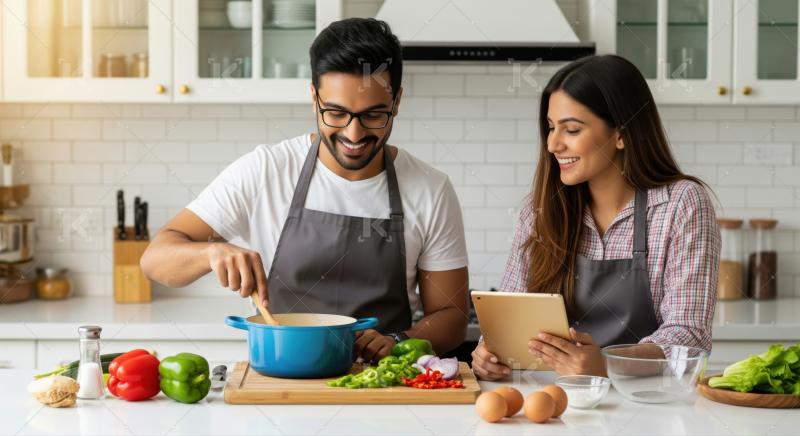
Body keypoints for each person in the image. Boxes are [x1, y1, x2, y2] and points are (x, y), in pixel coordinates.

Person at [141, 18, 469, 363]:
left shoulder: (430, 189)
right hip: (281, 380)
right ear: (314, 98)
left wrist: (399, 340)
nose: (354, 134)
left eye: (374, 116)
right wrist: (210, 253)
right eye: (336, 113)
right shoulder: (265, 170)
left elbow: (451, 317)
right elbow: (155, 260)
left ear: (397, 101)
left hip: (383, 387)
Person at [472, 55, 720, 379]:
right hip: (554, 403)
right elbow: (507, 314)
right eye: (550, 128)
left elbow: (689, 335)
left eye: (571, 129)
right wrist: (490, 352)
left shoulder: (681, 204)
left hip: (648, 406)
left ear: (621, 134)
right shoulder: (539, 211)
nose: (553, 144)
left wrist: (606, 365)